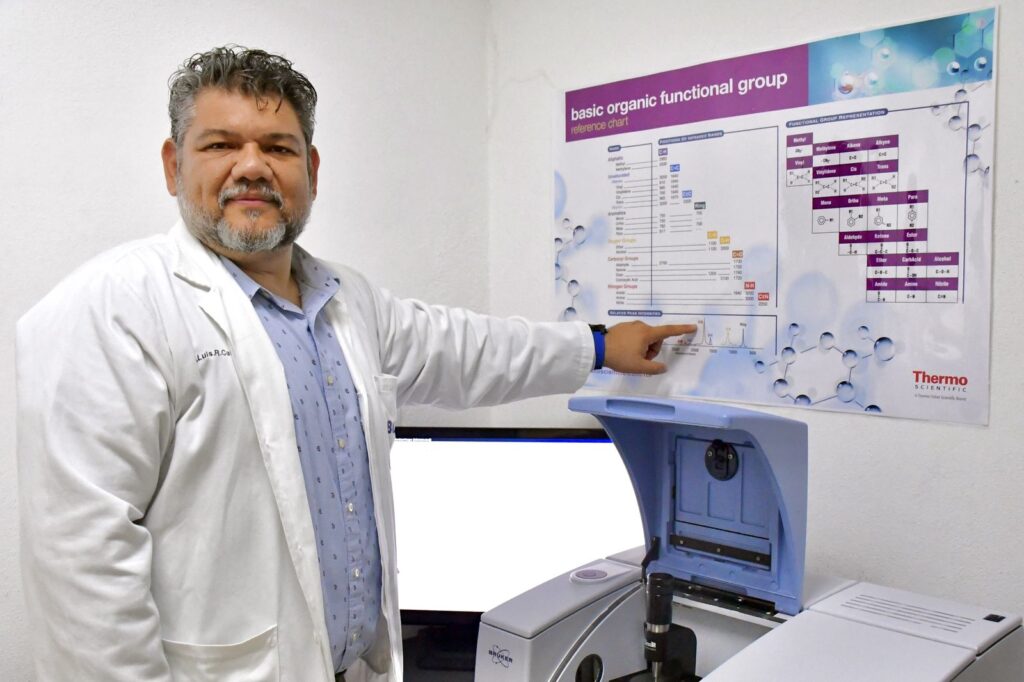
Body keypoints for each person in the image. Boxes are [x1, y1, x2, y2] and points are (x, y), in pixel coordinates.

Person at [16, 47, 695, 682]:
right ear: (173, 165)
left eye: (278, 148)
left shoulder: (345, 301)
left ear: (311, 170)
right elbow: (82, 568)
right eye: (221, 145)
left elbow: (467, 350)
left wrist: (599, 346)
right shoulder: (113, 310)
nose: (252, 167)